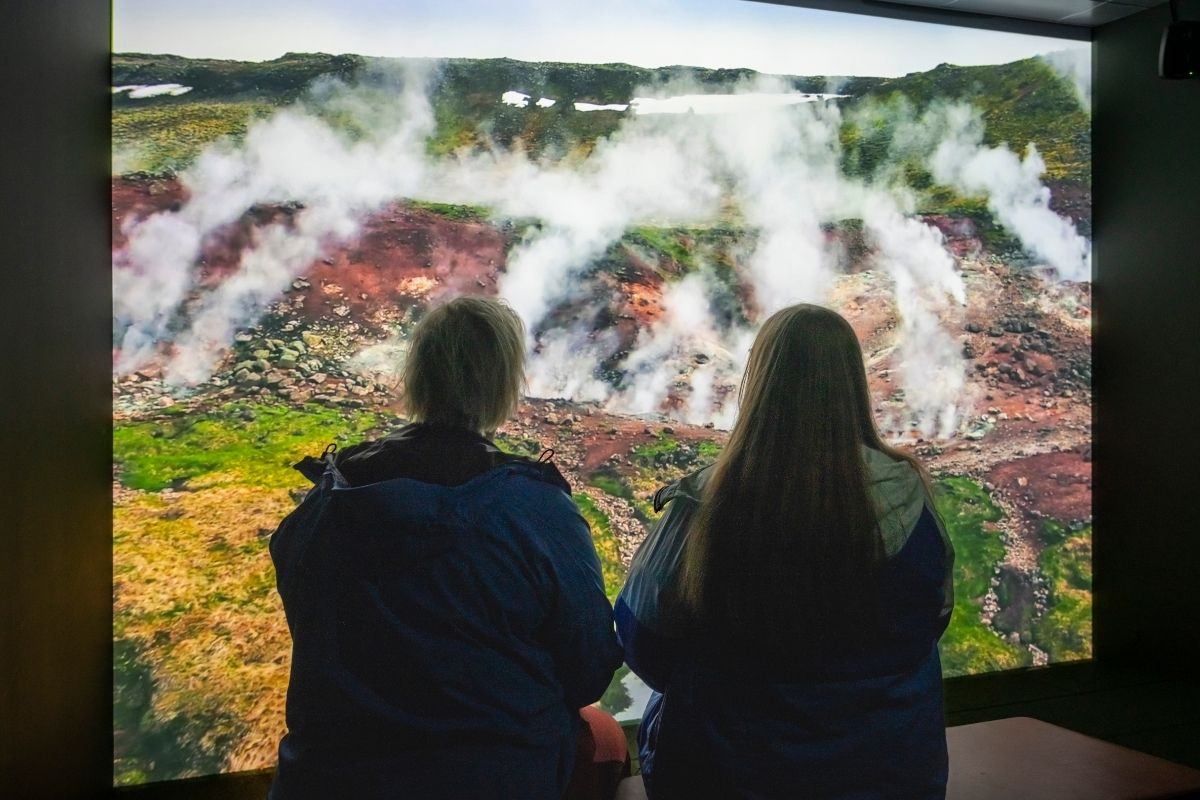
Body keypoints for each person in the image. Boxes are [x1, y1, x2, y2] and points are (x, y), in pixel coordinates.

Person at [269, 296, 626, 800]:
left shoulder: (328, 499)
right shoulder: (536, 508)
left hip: (325, 778)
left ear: (417, 375)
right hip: (493, 778)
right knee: (606, 737)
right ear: (504, 383)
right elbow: (589, 667)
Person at [616, 304, 955, 800]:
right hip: (888, 774)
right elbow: (933, 617)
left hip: (730, 776)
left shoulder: (706, 502)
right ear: (851, 384)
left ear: (759, 383)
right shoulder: (908, 494)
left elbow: (640, 635)